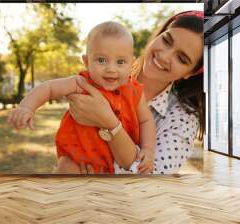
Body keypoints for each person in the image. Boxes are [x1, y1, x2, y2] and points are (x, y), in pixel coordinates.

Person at [7, 21, 156, 174]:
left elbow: (146, 120)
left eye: (120, 62)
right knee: (66, 177)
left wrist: (148, 149)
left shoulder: (134, 92)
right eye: (101, 60)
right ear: (86, 62)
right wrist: (27, 107)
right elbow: (49, 88)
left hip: (115, 162)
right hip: (77, 157)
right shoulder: (82, 83)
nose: (111, 69)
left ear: (131, 64)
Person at [67, 10, 204, 174]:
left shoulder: (183, 118)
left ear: (191, 73)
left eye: (181, 59)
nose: (164, 56)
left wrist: (109, 123)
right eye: (166, 40)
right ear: (158, 35)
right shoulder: (107, 72)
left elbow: (153, 178)